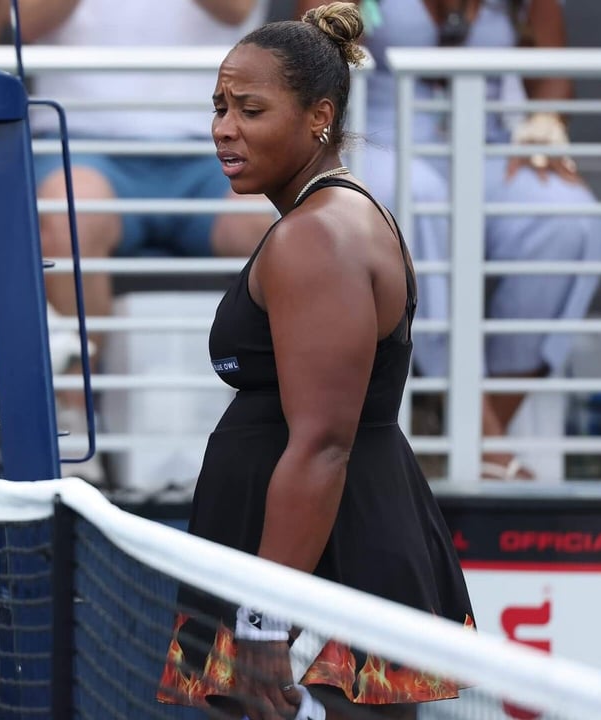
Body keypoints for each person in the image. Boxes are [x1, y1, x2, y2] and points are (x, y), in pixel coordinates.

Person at [155, 5, 473, 718]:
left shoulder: (318, 237)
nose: (224, 128)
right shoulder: (319, 222)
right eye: (219, 107)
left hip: (325, 575)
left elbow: (325, 444)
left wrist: (265, 621)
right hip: (305, 565)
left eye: (251, 109)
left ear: (318, 116)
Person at [300, 0, 601, 480]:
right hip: (380, 133)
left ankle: (459, 429)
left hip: (482, 140)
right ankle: (482, 442)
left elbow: (551, 74)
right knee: (418, 198)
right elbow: (313, 50)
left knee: (569, 220)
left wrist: (546, 121)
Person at [0, 0, 278, 485]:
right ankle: (75, 412)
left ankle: (270, 416)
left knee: (277, 229)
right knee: (65, 217)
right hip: (82, 142)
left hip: (215, 144)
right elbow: (23, 23)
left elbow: (235, 9)